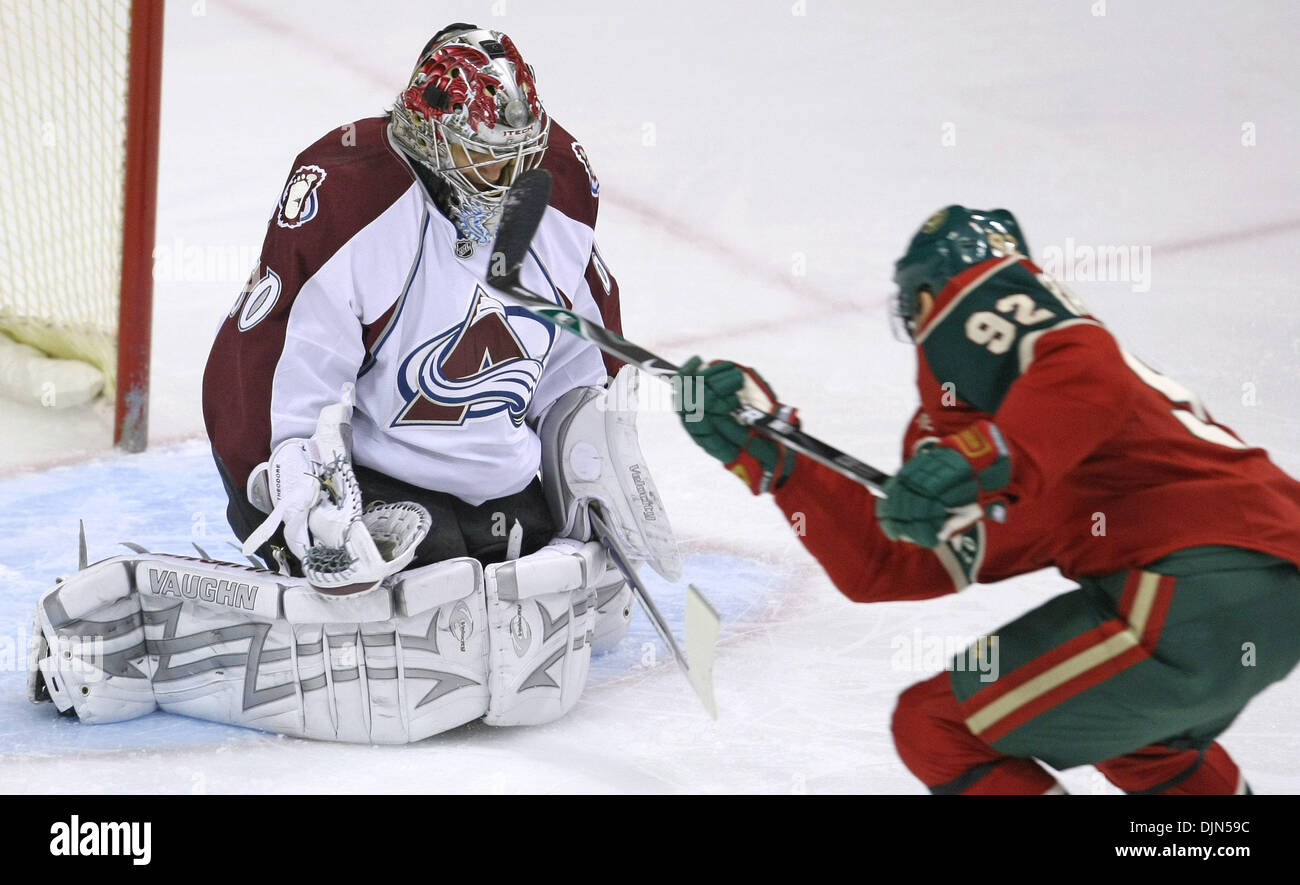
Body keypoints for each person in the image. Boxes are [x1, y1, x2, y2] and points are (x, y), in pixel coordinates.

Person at [27, 24, 679, 744]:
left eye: (516, 156)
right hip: (387, 490)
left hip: (503, 500)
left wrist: (592, 444)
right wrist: (294, 483)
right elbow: (266, 367)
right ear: (429, 138)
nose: (505, 179)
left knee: (536, 566)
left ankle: (493, 566)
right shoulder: (355, 193)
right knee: (385, 590)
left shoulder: (556, 191)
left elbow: (579, 363)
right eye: (482, 157)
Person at [675, 205, 1300, 794]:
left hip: (1197, 583)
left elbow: (1086, 366)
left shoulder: (994, 339)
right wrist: (782, 460)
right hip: (1262, 591)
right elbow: (889, 564)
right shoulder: (1016, 433)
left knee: (939, 729)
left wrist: (983, 452)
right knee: (1142, 739)